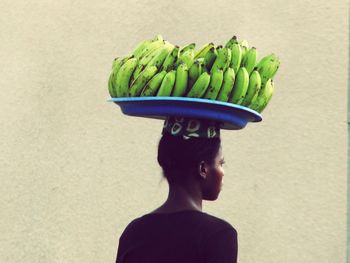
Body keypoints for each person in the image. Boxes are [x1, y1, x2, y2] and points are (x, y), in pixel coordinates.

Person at [115, 116, 238, 263]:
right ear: (203, 168)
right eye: (220, 163)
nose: (223, 172)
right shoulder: (218, 235)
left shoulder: (133, 232)